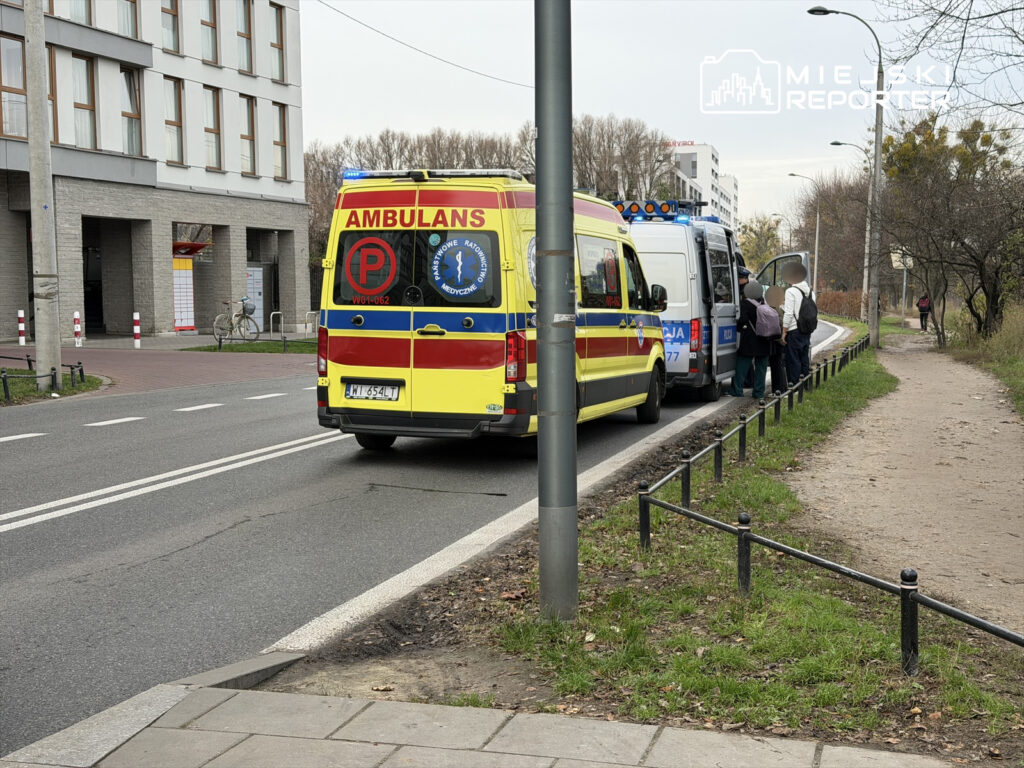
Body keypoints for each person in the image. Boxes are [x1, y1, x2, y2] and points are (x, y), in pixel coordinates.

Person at [729, 280, 771, 399]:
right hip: (764, 339)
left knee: (742, 366)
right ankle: (759, 392)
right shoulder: (764, 303)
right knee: (761, 368)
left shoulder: (745, 304)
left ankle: (737, 390)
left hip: (749, 340)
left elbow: (742, 320)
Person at [781, 263, 812, 390]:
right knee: (804, 358)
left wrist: (784, 331)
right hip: (807, 329)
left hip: (794, 330)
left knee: (793, 360)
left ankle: (794, 388)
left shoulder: (791, 291)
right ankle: (806, 386)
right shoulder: (810, 291)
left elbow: (789, 313)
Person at [765, 285, 788, 395]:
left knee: (776, 365)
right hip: (778, 340)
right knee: (778, 365)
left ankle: (779, 390)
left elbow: (779, 322)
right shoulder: (780, 307)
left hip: (776, 340)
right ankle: (780, 389)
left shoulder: (774, 307)